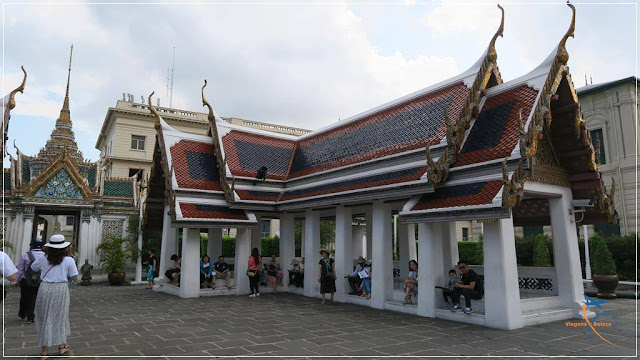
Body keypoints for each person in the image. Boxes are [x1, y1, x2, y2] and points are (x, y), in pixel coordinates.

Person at [31, 234, 78, 358]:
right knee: (61, 317)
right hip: (61, 289)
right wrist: (69, 284)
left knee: (44, 317)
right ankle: (62, 344)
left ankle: (44, 350)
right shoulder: (69, 260)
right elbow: (74, 277)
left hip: (45, 288)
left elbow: (33, 267)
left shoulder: (42, 258)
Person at [16, 239, 46, 323]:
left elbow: (20, 269)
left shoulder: (25, 255)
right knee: (34, 298)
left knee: (24, 297)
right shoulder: (45, 256)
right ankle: (31, 316)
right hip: (40, 280)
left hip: (26, 280)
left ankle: (23, 313)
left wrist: (16, 280)